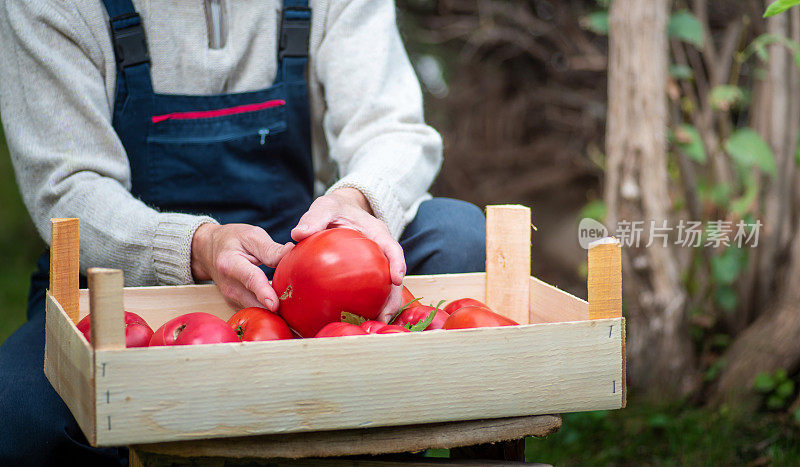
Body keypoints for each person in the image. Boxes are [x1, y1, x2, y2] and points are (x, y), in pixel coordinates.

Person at [0, 0, 486, 464]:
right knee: (21, 416)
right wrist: (199, 245)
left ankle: (384, 443)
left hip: (294, 258)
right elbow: (67, 185)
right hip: (125, 277)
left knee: (458, 233)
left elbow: (392, 127)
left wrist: (353, 203)